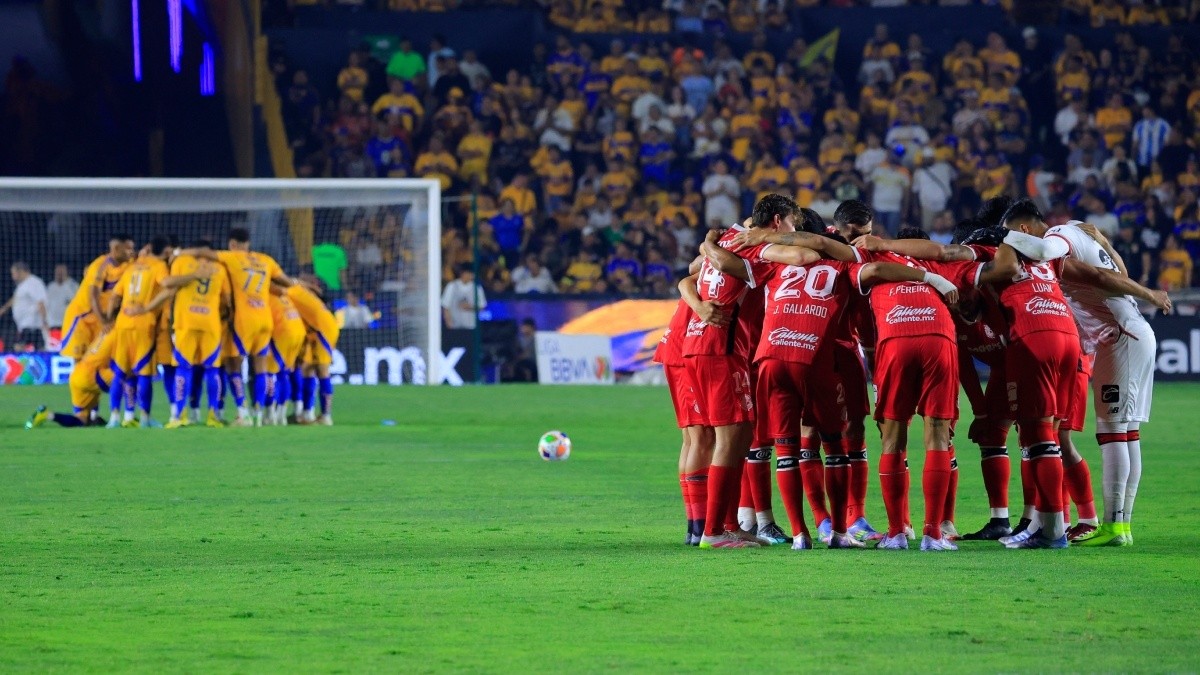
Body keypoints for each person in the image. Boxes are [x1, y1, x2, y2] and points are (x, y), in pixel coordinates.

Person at [1002, 218, 1170, 547]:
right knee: (1127, 433)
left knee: (1112, 432)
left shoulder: (1057, 236)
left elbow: (1065, 260)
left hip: (1120, 337)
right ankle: (1121, 526)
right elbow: (1117, 272)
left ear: (1025, 228)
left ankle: (1113, 526)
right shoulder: (1083, 231)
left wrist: (1003, 237)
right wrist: (1105, 243)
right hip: (1132, 334)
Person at [188, 228, 298, 426]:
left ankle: (243, 413)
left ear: (232, 244)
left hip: (244, 320)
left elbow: (203, 253)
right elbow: (288, 283)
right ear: (248, 243)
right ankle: (260, 414)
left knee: (233, 365)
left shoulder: (232, 257)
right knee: (262, 368)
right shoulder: (265, 260)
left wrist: (179, 253)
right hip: (265, 318)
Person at [106, 237, 173, 428]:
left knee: (120, 373)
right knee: (144, 373)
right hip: (143, 324)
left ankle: (114, 417)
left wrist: (109, 319)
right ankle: (144, 418)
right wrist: (148, 307)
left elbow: (114, 297)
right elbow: (168, 288)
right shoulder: (158, 266)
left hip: (123, 323)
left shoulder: (131, 267)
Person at [164, 242, 230, 429]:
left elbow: (168, 284)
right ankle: (213, 416)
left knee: (183, 368)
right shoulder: (220, 268)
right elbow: (227, 300)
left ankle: (179, 415)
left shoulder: (182, 261)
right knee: (213, 370)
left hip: (186, 322)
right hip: (210, 323)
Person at [59, 234, 134, 361]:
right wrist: (105, 321)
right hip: (82, 317)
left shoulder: (129, 264)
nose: (131, 251)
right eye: (128, 248)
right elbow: (93, 296)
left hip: (100, 318)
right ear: (116, 248)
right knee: (81, 361)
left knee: (100, 358)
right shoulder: (99, 266)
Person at [288, 280, 340, 426]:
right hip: (314, 330)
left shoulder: (290, 291)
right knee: (307, 369)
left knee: (322, 370)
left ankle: (326, 416)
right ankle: (307, 413)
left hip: (322, 328)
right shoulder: (298, 290)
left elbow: (288, 281)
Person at [2, 261, 47, 349]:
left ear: (21, 271)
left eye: (13, 273)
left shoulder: (34, 283)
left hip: (31, 325)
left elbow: (41, 302)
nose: (12, 276)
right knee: (38, 348)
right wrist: (3, 309)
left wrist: (44, 321)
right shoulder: (22, 285)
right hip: (24, 325)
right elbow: (15, 299)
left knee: (18, 348)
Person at [441, 264, 486, 329]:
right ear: (463, 273)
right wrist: (449, 324)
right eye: (469, 273)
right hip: (454, 327)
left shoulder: (477, 288)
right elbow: (445, 306)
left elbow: (482, 306)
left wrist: (470, 307)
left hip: (471, 327)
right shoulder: (452, 286)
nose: (471, 276)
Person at [45, 264, 78, 330]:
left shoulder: (73, 285)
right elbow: (46, 305)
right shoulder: (50, 287)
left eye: (61, 272)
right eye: (57, 272)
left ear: (66, 272)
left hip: (68, 324)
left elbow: (77, 303)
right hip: (53, 324)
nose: (59, 274)